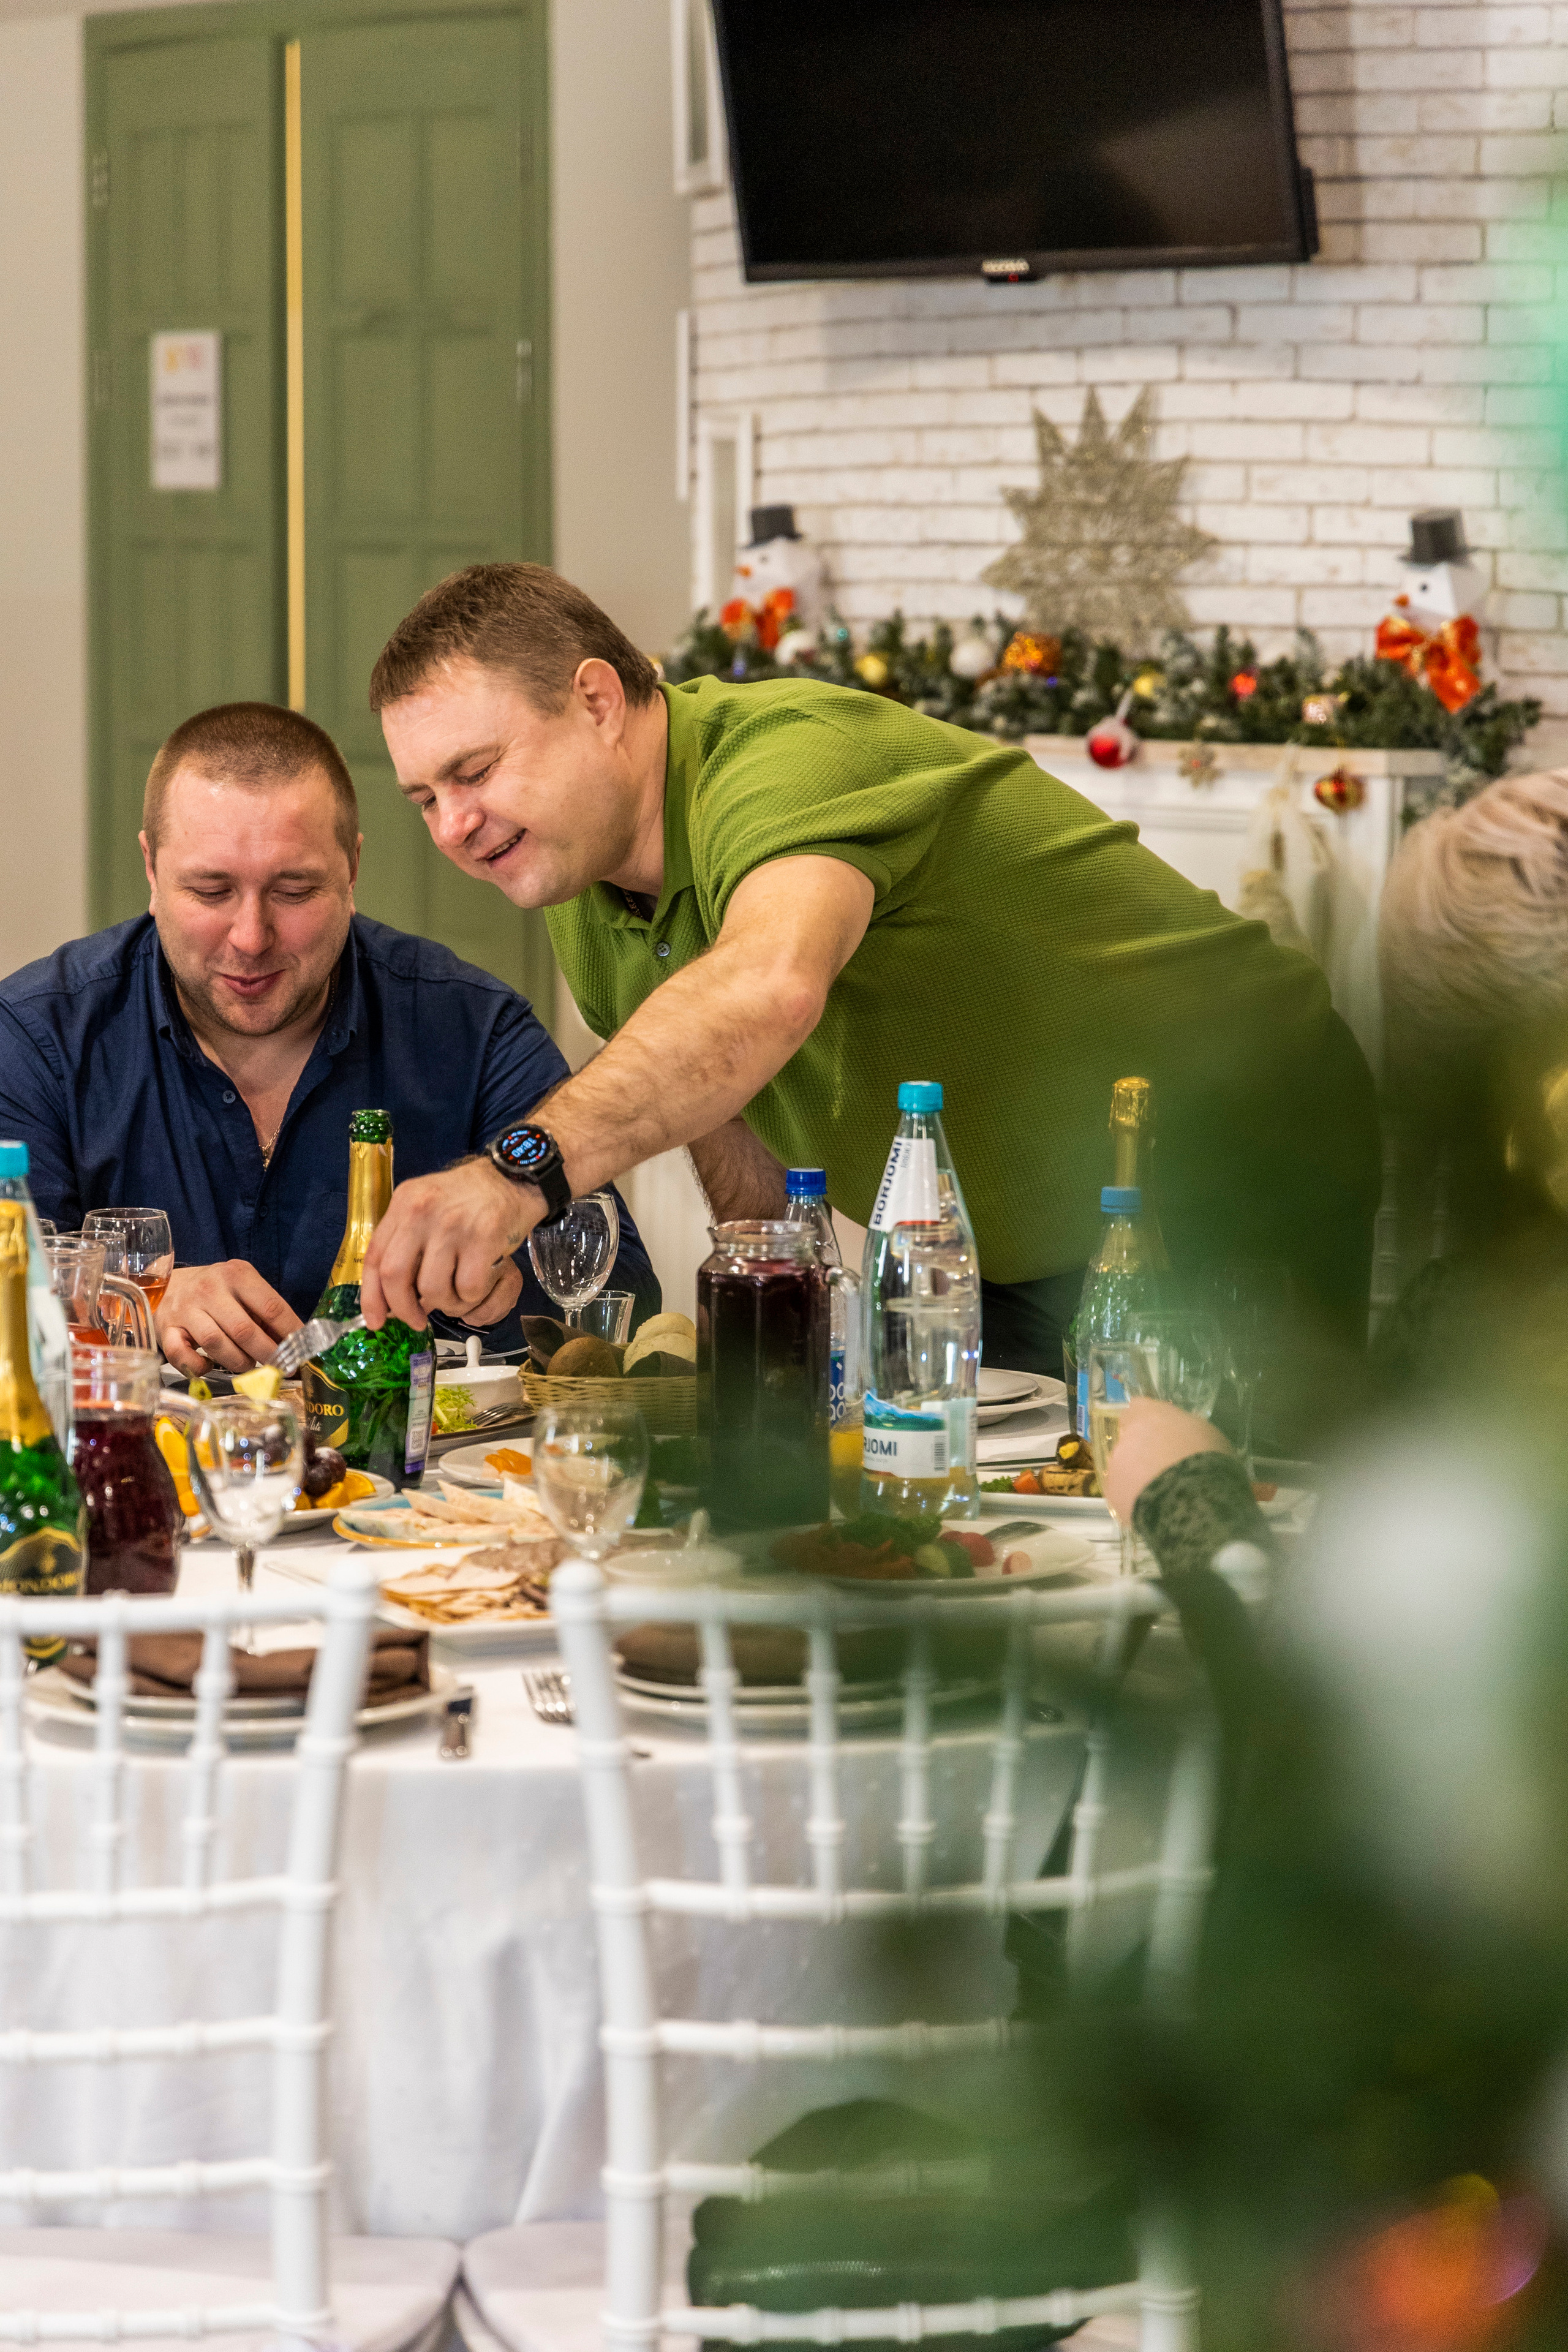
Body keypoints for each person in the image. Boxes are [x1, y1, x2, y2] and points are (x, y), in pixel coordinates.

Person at [355, 562, 1381, 1374]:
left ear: (596, 700)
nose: (455, 826)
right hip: (1014, 1231)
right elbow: (725, 1094)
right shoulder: (578, 874)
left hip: (1232, 1141)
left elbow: (767, 990)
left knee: (1231, 1521)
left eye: (474, 772)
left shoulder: (785, 762)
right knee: (1005, 1529)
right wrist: (773, 1320)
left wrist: (514, 1175)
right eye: (423, 800)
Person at [0, 701, 658, 1374]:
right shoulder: (36, 1037)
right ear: (151, 870)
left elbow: (616, 1294)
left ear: (351, 870)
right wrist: (143, 1302)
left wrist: (508, 1292)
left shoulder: (474, 1028)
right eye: (210, 889)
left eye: (294, 890)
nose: (251, 938)